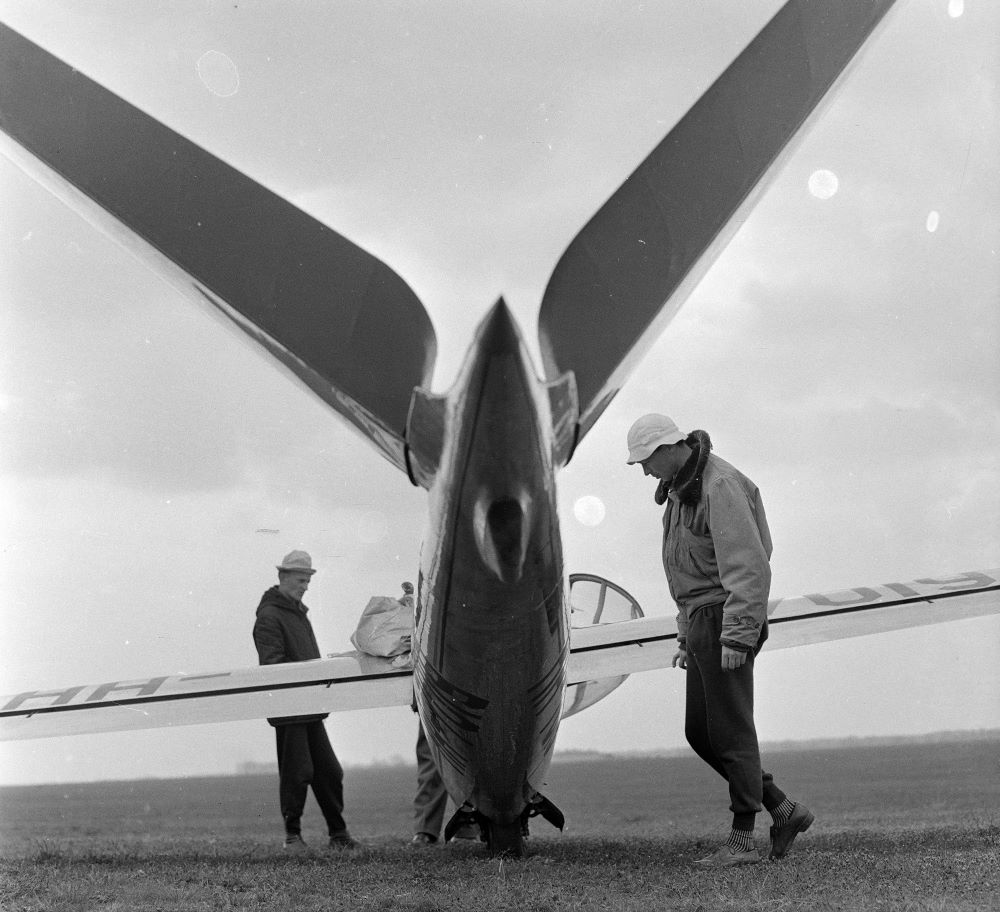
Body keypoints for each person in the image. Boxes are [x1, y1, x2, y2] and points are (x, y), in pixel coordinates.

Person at [625, 414, 813, 868]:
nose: (646, 473)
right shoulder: (679, 492)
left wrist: (737, 634)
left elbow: (749, 566)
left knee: (731, 732)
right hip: (702, 622)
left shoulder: (720, 485)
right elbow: (685, 573)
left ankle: (742, 842)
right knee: (701, 731)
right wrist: (686, 633)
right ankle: (785, 811)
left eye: (646, 462)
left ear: (668, 449)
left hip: (725, 617)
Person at [252, 550, 359, 852]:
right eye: (301, 580)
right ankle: (292, 837)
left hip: (309, 706)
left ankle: (339, 834)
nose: (305, 586)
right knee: (297, 773)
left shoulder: (297, 611)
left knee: (329, 772)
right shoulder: (270, 616)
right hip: (290, 708)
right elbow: (273, 664)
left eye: (308, 580)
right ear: (283, 577)